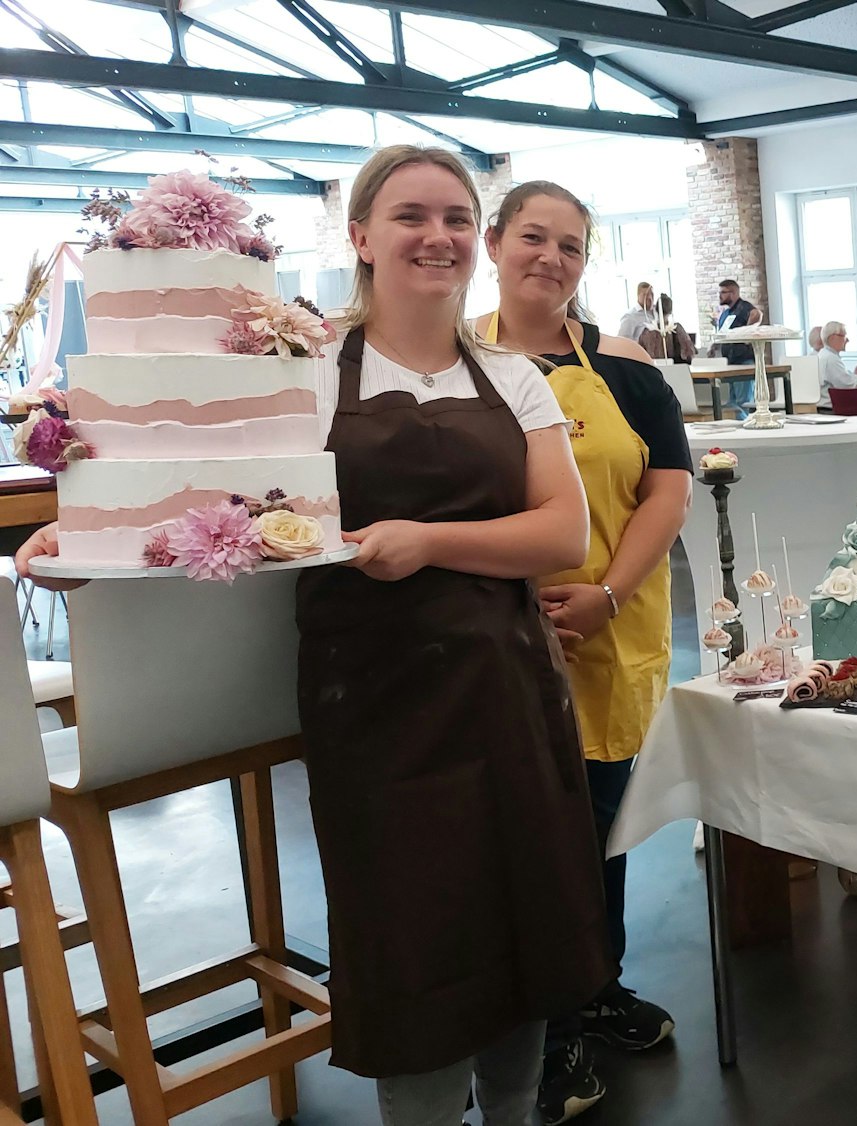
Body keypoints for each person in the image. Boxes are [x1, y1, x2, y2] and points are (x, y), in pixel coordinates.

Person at [17, 145, 611, 1126]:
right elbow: (224, 507)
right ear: (362, 236)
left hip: (508, 693)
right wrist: (95, 536)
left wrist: (426, 542)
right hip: (375, 713)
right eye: (413, 215)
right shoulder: (296, 373)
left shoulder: (511, 379)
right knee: (410, 953)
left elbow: (561, 532)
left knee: (527, 939)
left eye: (458, 217)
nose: (438, 235)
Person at [475, 180, 693, 1124]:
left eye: (570, 246)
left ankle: (593, 985)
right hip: (493, 639)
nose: (550, 258)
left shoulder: (629, 371)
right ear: (495, 241)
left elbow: (667, 493)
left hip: (607, 632)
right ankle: (542, 1037)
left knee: (597, 827)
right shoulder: (453, 365)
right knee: (527, 842)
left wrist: (606, 596)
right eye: (533, 237)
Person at [710, 279, 761, 415]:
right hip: (730, 363)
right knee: (732, 403)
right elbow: (722, 334)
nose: (720, 296)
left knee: (743, 401)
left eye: (723, 292)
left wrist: (747, 334)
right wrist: (714, 346)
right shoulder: (726, 313)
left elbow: (756, 314)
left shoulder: (744, 307)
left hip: (743, 362)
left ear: (733, 293)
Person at [815, 319, 857, 410]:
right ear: (833, 337)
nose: (847, 340)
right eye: (844, 336)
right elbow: (848, 385)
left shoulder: (825, 355)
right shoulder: (830, 359)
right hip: (829, 410)